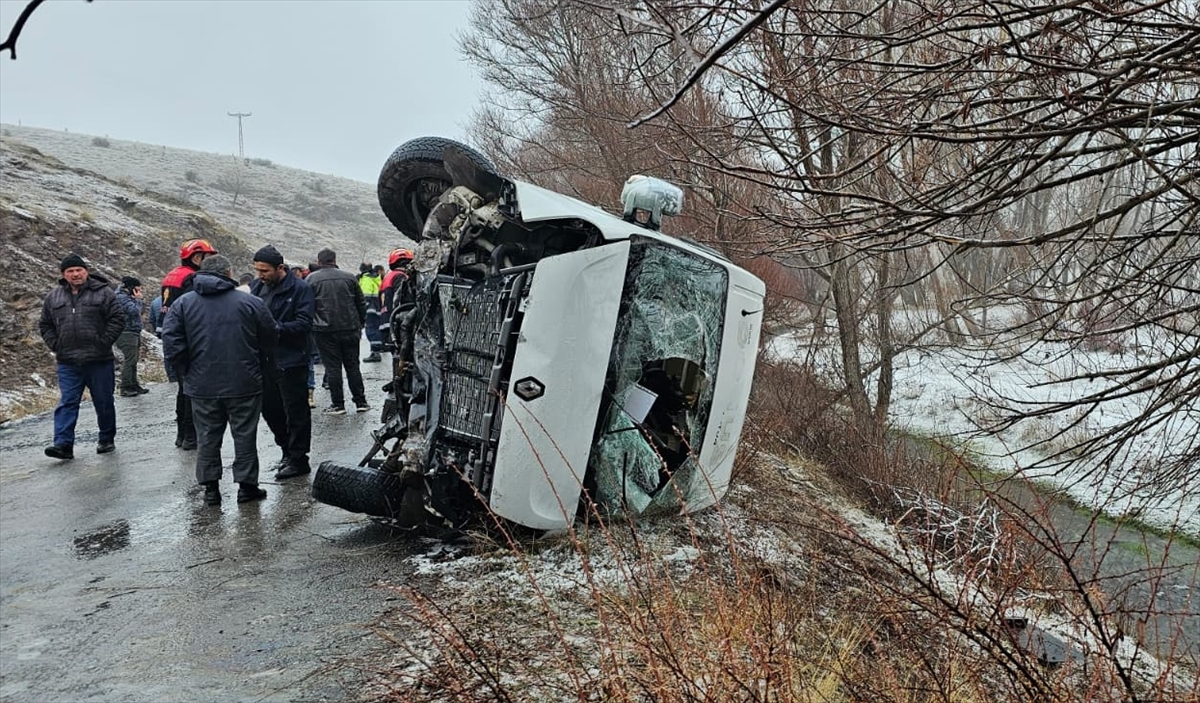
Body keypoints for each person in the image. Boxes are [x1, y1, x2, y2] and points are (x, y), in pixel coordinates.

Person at [161, 254, 278, 505]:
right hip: (244, 382)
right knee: (245, 435)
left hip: (201, 385)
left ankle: (211, 490)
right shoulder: (250, 302)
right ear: (228, 273)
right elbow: (270, 337)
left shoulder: (182, 304)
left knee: (207, 437)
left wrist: (186, 371)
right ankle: (247, 487)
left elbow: (171, 343)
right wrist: (258, 363)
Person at [38, 253, 125, 460]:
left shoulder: (103, 293)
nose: (75, 274)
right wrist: (56, 345)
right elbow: (45, 324)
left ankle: (106, 438)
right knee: (68, 402)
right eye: (70, 271)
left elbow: (117, 319)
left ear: (86, 271)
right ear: (63, 275)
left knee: (103, 402)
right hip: (68, 361)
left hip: (99, 360)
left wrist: (103, 342)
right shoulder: (54, 297)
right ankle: (63, 444)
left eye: (79, 270)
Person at [250, 245, 315, 480]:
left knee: (295, 411)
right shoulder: (258, 287)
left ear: (280, 268)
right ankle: (286, 450)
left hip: (292, 359)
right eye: (257, 270)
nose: (260, 275)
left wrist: (274, 329)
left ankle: (298, 458)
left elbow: (304, 323)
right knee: (271, 409)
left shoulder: (300, 289)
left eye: (265, 270)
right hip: (264, 360)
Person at [161, 238, 219, 450]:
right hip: (190, 341)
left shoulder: (173, 275)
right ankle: (190, 436)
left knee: (182, 389)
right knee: (192, 391)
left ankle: (182, 435)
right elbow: (194, 311)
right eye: (207, 257)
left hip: (173, 339)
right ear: (196, 257)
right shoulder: (193, 279)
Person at [305, 248, 368, 414]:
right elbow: (361, 303)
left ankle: (338, 404)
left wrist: (311, 326)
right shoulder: (349, 277)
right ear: (334, 259)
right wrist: (361, 323)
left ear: (319, 261)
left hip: (324, 331)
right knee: (353, 366)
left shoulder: (311, 279)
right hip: (350, 327)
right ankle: (361, 402)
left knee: (333, 367)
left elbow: (307, 306)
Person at [114, 276, 150, 397]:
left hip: (133, 331)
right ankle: (125, 386)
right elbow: (134, 311)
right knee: (129, 360)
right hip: (126, 332)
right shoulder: (121, 297)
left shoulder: (127, 297)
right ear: (131, 288)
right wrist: (138, 300)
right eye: (137, 289)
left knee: (134, 360)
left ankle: (134, 384)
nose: (139, 292)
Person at [377, 247, 416, 353]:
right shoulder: (401, 277)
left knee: (397, 356)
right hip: (397, 323)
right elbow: (400, 301)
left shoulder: (388, 277)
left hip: (386, 321)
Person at [358, 262, 383, 362]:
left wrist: (362, 310)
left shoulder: (366, 279)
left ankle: (375, 353)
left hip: (370, 309)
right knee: (376, 329)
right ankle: (377, 349)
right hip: (377, 308)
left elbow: (366, 296)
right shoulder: (376, 278)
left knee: (371, 330)